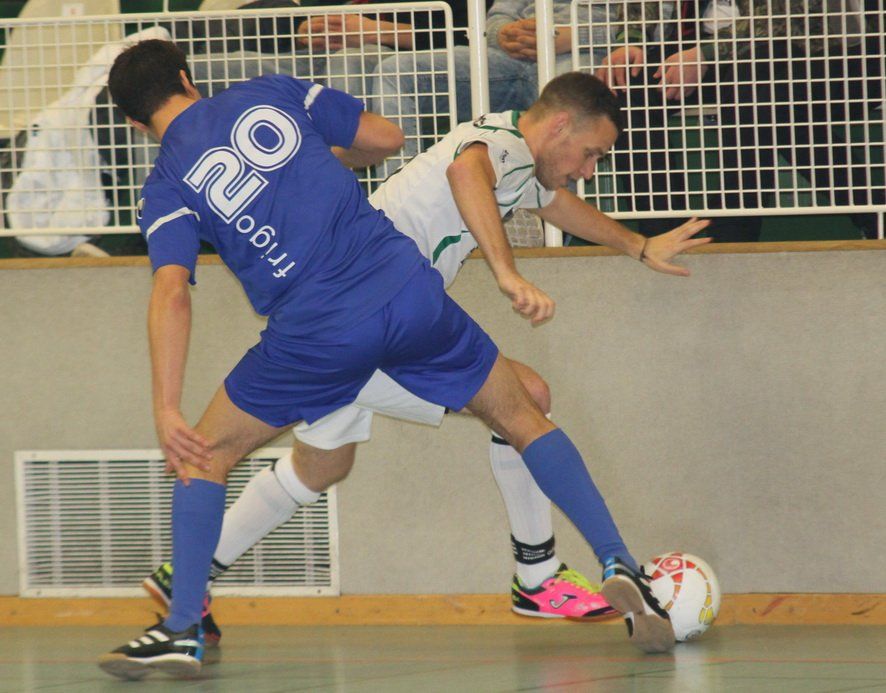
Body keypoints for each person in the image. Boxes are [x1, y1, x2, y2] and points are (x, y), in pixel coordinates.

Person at [98, 42, 692, 679]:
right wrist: (505, 270)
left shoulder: (165, 186)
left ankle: (182, 618)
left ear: (134, 123)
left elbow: (170, 293)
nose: (589, 170)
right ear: (188, 77)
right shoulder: (269, 91)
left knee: (207, 454)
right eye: (592, 155)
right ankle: (607, 561)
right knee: (517, 412)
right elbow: (390, 140)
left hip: (321, 332)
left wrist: (165, 407)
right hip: (405, 291)